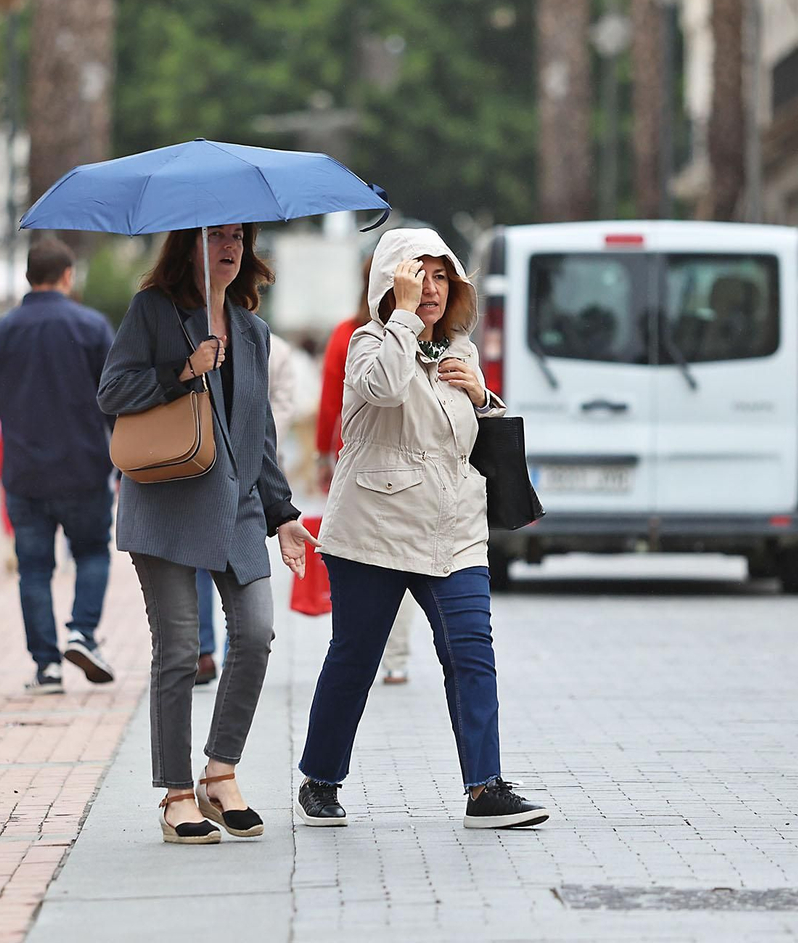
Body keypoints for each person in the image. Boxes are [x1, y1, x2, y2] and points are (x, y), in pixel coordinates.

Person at [296, 226, 548, 831]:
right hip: (374, 529)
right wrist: (403, 319)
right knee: (355, 658)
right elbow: (381, 388)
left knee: (472, 654)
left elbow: (461, 440)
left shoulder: (459, 351)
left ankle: (484, 788)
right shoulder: (369, 343)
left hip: (454, 528)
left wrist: (484, 397)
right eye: (417, 276)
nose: (431, 288)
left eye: (441, 276)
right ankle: (321, 778)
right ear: (390, 284)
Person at [98, 223, 318, 845]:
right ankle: (174, 795)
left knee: (256, 630)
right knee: (179, 649)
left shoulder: (252, 330)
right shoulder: (154, 312)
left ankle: (220, 774)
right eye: (216, 236)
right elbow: (110, 391)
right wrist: (180, 371)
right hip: (167, 499)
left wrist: (284, 516)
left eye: (238, 238)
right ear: (187, 245)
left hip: (240, 503)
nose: (229, 248)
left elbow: (261, 434)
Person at [0, 237, 118, 696]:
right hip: (85, 469)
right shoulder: (92, 327)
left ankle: (47, 667)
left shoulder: (2, 331)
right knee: (90, 553)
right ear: (68, 276)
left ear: (29, 277)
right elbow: (115, 399)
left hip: (25, 475)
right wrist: (129, 465)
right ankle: (82, 633)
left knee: (34, 569)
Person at [315, 257, 418, 685]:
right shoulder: (417, 335)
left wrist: (324, 453)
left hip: (356, 463)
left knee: (364, 556)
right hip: (410, 464)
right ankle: (395, 657)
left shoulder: (348, 334)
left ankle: (362, 651)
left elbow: (329, 402)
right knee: (405, 553)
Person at [196, 331, 300, 686]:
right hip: (199, 468)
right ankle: (203, 650)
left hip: (253, 473)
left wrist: (249, 439)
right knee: (199, 563)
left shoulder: (270, 345)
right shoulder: (190, 334)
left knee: (241, 580)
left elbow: (279, 410)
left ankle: (230, 651)